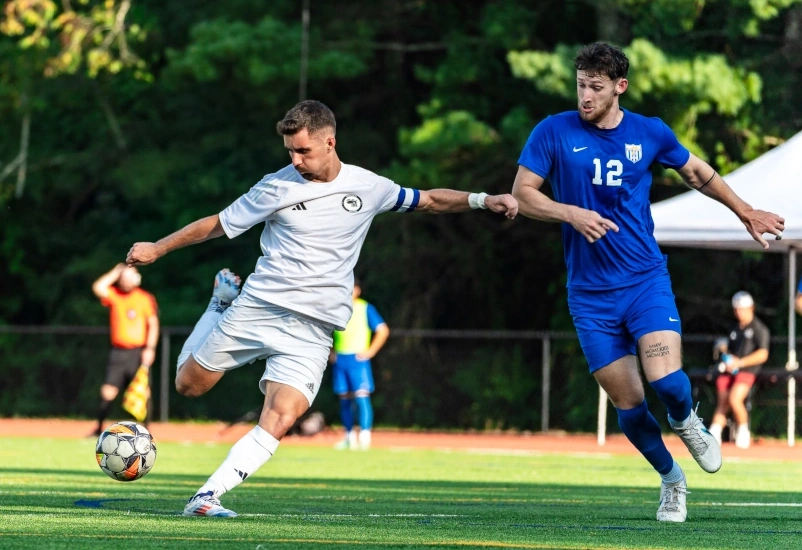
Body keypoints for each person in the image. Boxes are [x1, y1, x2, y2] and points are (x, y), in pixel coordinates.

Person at [125, 100, 518, 517]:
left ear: (329, 142)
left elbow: (429, 200)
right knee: (189, 385)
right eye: (289, 152)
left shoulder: (369, 186)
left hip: (313, 330)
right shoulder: (276, 186)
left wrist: (481, 199)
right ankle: (218, 305)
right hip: (261, 307)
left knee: (282, 415)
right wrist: (158, 247)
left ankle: (206, 497)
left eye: (302, 151)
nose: (294, 160)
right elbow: (217, 223)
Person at [511, 43, 784, 523]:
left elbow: (697, 172)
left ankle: (687, 420)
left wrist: (745, 211)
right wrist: (569, 212)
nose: (586, 97)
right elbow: (523, 194)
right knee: (631, 403)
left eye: (596, 87)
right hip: (590, 297)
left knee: (670, 384)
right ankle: (672, 480)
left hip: (644, 281)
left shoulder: (649, 132)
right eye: (580, 86)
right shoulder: (552, 131)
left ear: (620, 87)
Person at [91, 263, 159, 436]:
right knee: (108, 391)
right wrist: (116, 271)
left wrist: (150, 348)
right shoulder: (115, 295)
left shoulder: (144, 298)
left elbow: (153, 324)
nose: (125, 281)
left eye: (129, 277)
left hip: (138, 352)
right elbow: (98, 287)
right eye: (123, 277)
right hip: (119, 352)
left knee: (143, 391)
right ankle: (98, 428)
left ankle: (146, 431)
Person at [331, 278, 390, 450]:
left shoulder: (365, 308)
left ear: (357, 290)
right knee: (344, 400)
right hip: (341, 359)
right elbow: (324, 331)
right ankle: (349, 437)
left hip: (358, 360)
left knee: (362, 397)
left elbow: (383, 330)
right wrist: (330, 351)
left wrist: (371, 351)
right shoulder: (336, 309)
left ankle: (365, 437)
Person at [708, 292, 770, 449]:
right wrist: (725, 355)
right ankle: (713, 435)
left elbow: (763, 354)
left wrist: (740, 363)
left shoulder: (759, 328)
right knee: (722, 402)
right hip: (730, 372)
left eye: (742, 308)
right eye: (736, 309)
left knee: (735, 399)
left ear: (751, 308)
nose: (739, 312)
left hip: (747, 371)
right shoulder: (734, 329)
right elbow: (729, 351)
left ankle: (743, 433)